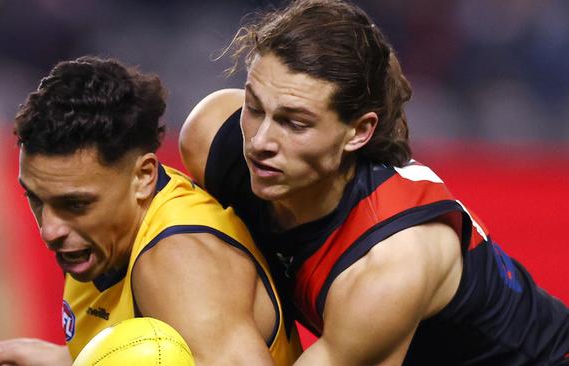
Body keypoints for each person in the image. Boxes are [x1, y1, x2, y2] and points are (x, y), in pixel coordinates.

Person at [179, 0, 569, 365]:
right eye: (254, 107)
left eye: (295, 123)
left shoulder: (388, 264)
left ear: (359, 132)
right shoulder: (211, 138)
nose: (260, 142)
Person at [0, 56, 302, 366]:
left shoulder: (181, 267)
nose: (50, 230)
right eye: (37, 199)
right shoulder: (106, 228)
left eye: (76, 204)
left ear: (143, 177)